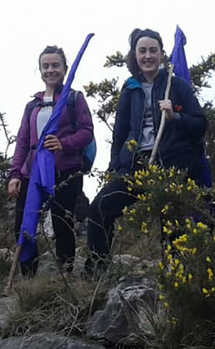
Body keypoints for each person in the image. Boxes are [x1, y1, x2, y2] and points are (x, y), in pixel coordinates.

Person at [84, 28, 207, 275]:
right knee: (100, 207)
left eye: (153, 50)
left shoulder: (177, 86)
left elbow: (200, 125)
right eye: (142, 51)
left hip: (172, 163)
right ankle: (97, 271)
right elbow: (120, 134)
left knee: (173, 223)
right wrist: (116, 167)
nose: (148, 56)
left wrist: (176, 117)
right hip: (136, 165)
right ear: (135, 55)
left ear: (162, 54)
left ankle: (176, 278)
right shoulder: (130, 90)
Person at [8, 46, 94, 275]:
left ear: (65, 68)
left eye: (55, 65)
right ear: (40, 70)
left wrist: (64, 143)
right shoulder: (32, 105)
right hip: (32, 170)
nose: (50, 70)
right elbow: (23, 142)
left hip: (65, 169)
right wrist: (14, 174)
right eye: (45, 66)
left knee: (62, 223)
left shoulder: (74, 98)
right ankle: (28, 276)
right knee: (23, 224)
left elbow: (87, 131)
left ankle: (65, 273)